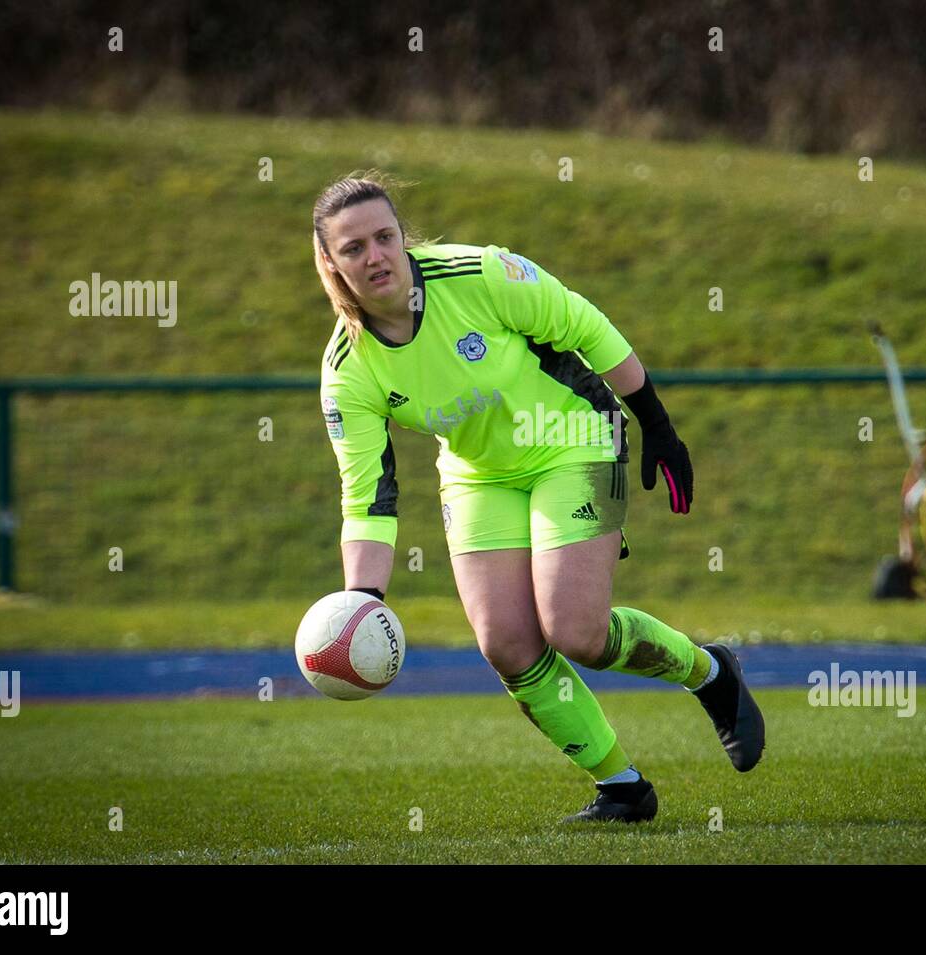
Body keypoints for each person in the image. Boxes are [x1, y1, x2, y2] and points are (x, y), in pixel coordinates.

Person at [313, 171, 764, 824]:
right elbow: (368, 495)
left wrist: (656, 423)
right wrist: (365, 604)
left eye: (385, 236)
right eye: (353, 248)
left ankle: (712, 673)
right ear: (330, 263)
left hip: (574, 433)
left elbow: (586, 324)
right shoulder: (346, 369)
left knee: (575, 630)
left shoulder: (479, 276)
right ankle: (622, 787)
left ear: (402, 237)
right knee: (506, 641)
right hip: (478, 471)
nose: (375, 255)